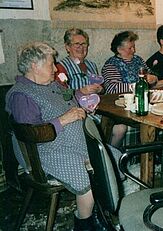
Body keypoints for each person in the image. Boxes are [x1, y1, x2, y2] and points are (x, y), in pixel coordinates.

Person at [5, 42, 107, 230]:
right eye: (51, 64)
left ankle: (96, 214)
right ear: (35, 66)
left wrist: (82, 97)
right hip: (43, 153)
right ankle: (84, 224)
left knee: (108, 160)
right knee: (88, 175)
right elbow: (32, 134)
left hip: (70, 144)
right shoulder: (22, 95)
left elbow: (66, 98)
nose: (55, 68)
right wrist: (64, 119)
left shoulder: (51, 84)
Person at [101, 31, 157, 147]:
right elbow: (113, 88)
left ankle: (151, 152)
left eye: (134, 47)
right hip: (120, 108)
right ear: (119, 49)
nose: (134, 50)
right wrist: (138, 85)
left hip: (140, 102)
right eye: (130, 48)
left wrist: (153, 78)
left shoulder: (138, 60)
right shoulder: (111, 65)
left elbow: (151, 75)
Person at [55, 28, 103, 95]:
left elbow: (100, 87)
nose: (81, 47)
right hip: (74, 105)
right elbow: (59, 94)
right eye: (77, 44)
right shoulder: (61, 67)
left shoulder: (92, 65)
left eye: (84, 44)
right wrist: (80, 92)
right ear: (67, 47)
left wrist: (100, 89)